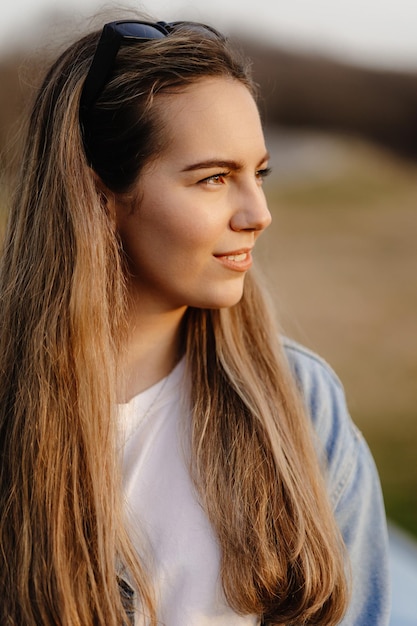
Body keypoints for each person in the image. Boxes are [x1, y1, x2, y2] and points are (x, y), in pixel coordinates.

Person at [0, 18, 390, 626]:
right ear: (100, 193)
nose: (258, 214)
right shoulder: (13, 408)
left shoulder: (303, 404)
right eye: (213, 178)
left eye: (258, 174)